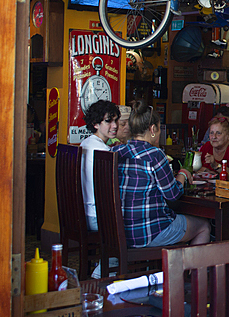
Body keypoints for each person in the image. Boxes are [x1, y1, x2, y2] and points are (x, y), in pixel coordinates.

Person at [112, 101, 211, 248]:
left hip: (118, 231)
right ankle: (185, 271)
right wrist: (183, 174)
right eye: (159, 130)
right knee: (204, 226)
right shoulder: (155, 155)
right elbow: (172, 194)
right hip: (149, 232)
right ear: (152, 129)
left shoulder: (116, 152)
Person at [80, 100, 120, 232]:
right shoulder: (103, 151)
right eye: (108, 121)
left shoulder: (85, 144)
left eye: (116, 120)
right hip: (99, 217)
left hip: (83, 214)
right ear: (95, 124)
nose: (115, 126)